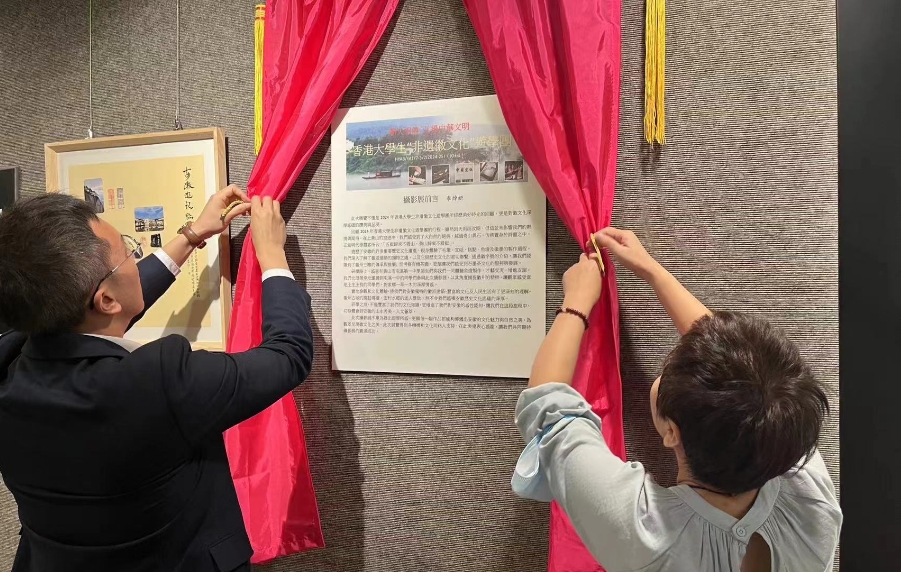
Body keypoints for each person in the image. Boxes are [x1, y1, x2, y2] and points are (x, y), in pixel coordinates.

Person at [0, 187, 314, 572]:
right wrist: (273, 256)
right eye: (130, 253)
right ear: (105, 300)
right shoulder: (157, 383)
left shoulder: (13, 357)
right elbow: (287, 356)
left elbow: (101, 312)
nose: (136, 259)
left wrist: (192, 235)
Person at [513, 227, 842, 572]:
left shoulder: (647, 533)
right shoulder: (807, 491)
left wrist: (576, 302)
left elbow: (547, 406)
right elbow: (740, 369)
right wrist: (650, 270)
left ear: (672, 431)